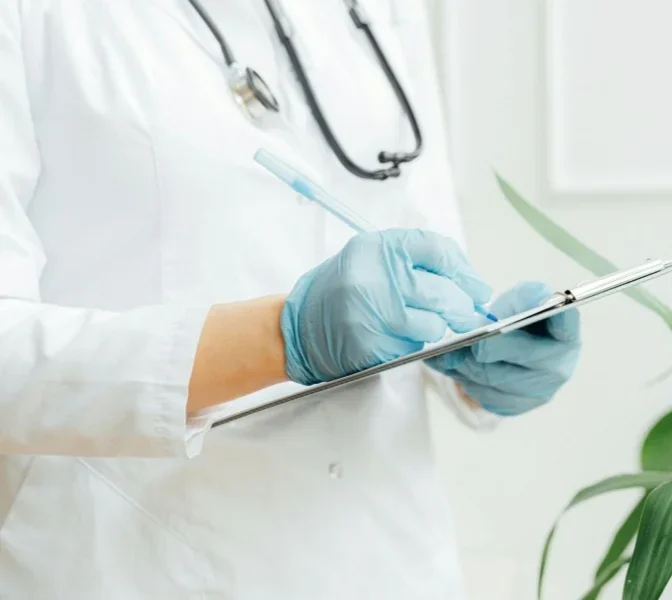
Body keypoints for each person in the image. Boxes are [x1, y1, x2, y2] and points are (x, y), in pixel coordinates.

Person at [0, 1, 581, 598]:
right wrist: (287, 337)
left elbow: (424, 252)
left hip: (392, 556)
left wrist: (478, 348)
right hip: (139, 560)